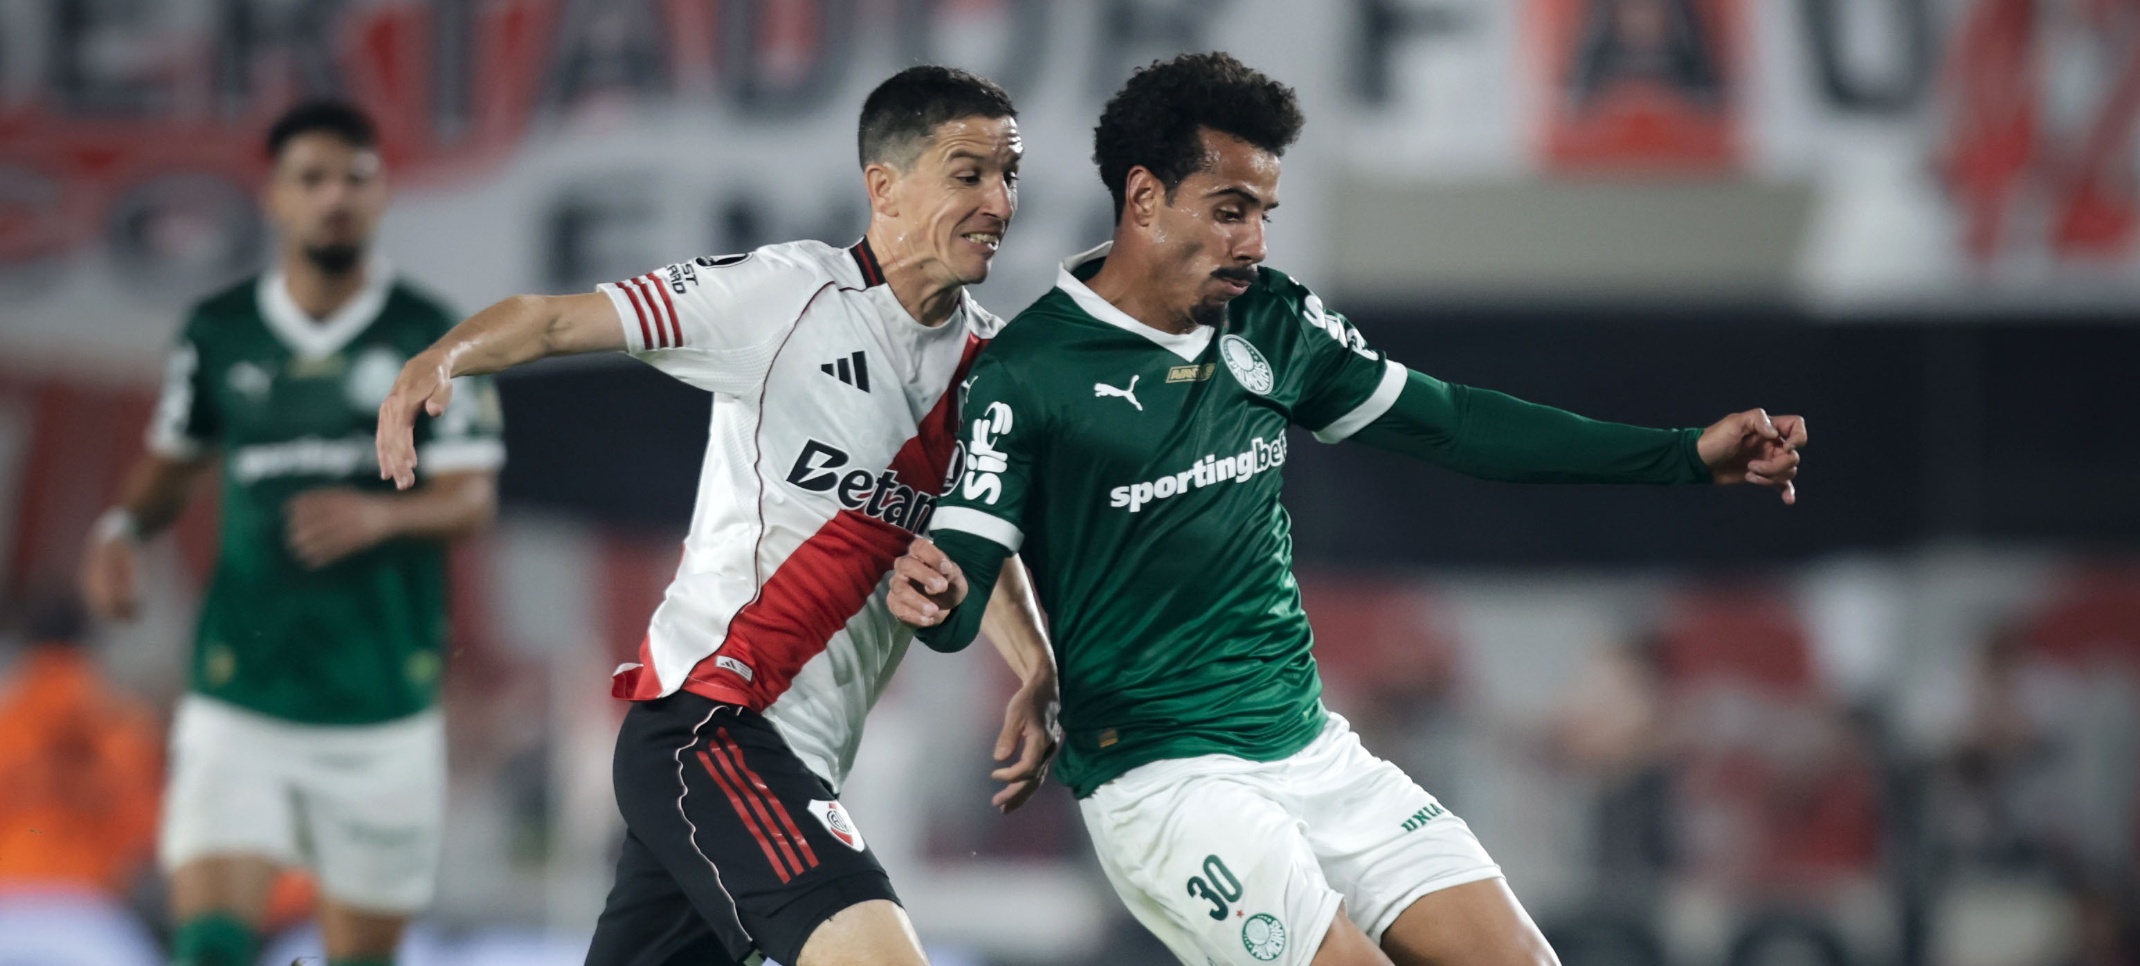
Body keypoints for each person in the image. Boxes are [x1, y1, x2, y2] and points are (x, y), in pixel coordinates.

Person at [891, 52, 1808, 966]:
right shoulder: (1026, 374)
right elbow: (964, 576)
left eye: (1263, 214)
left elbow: (1453, 424)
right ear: (1143, 198)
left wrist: (1683, 455)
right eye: (1229, 210)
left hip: (1311, 751)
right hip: (1166, 784)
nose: (1253, 241)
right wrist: (936, 601)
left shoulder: (1272, 322)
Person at [373, 66, 1057, 966]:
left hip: (792, 761)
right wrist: (441, 359)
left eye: (1009, 175)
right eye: (970, 174)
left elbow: (984, 538)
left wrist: (1036, 669)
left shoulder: (995, 370)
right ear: (885, 186)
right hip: (716, 727)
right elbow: (549, 322)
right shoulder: (780, 299)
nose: (998, 202)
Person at [77, 101, 506, 966]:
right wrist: (124, 526)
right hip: (241, 697)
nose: (335, 198)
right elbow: (174, 459)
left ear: (383, 194)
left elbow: (472, 499)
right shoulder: (220, 331)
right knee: (209, 944)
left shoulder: (430, 332)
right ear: (275, 197)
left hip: (381, 705)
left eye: (357, 177)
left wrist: (383, 515)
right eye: (312, 179)